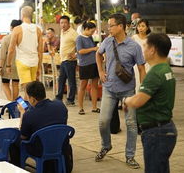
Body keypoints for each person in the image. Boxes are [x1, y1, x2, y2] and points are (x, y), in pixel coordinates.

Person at [95, 13, 146, 169]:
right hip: (109, 89)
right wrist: (100, 72)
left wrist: (142, 91)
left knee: (131, 124)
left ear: (121, 26)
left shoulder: (134, 46)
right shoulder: (107, 41)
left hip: (128, 91)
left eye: (111, 25)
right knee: (103, 122)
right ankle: (106, 145)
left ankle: (130, 156)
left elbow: (141, 68)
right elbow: (98, 54)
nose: (108, 28)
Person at [124, 33, 177, 173]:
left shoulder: (154, 73)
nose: (143, 50)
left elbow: (139, 100)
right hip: (164, 129)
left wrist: (127, 100)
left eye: (145, 46)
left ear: (152, 50)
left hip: (156, 132)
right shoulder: (166, 69)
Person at [17, 81, 71, 173]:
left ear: (33, 99)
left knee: (15, 142)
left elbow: (23, 136)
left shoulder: (29, 114)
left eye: (28, 97)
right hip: (61, 145)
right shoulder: (60, 105)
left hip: (41, 149)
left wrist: (22, 113)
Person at [7, 6, 43, 99]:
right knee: (32, 90)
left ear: (22, 15)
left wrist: (8, 65)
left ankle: (26, 111)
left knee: (27, 90)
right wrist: (39, 67)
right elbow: (40, 51)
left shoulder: (17, 29)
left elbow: (11, 49)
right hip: (34, 62)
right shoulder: (38, 30)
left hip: (22, 62)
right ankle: (31, 110)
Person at [76, 21, 100, 115]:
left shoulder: (90, 37)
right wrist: (93, 49)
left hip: (94, 63)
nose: (93, 33)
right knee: (83, 85)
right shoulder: (79, 39)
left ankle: (94, 107)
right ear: (86, 29)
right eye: (92, 31)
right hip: (84, 64)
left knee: (94, 85)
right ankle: (80, 108)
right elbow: (80, 51)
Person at [55, 15, 78, 106]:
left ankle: (71, 99)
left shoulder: (73, 33)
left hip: (70, 61)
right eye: (61, 23)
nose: (63, 24)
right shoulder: (62, 32)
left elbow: (80, 44)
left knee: (71, 81)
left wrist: (75, 54)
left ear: (69, 23)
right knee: (61, 80)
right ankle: (59, 97)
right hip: (63, 60)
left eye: (65, 22)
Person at [0, 19, 22, 101]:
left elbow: (2, 54)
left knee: (5, 84)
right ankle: (14, 103)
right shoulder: (22, 38)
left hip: (7, 64)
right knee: (15, 84)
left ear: (11, 27)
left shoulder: (6, 38)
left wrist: (0, 67)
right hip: (19, 64)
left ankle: (10, 102)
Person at [131, 18, 151, 92]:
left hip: (148, 64)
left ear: (147, 27)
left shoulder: (150, 39)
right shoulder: (134, 38)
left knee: (147, 83)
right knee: (138, 84)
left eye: (143, 26)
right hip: (137, 65)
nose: (140, 28)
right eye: (139, 26)